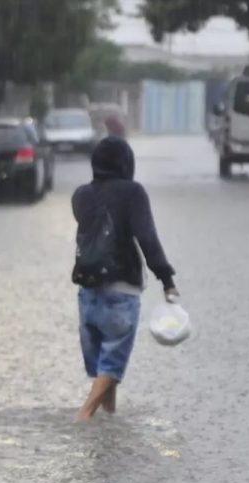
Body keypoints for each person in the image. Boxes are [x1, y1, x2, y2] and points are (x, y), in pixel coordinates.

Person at [71, 136, 178, 422]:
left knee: (103, 369)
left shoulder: (81, 195)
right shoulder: (132, 193)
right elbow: (147, 238)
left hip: (87, 293)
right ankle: (84, 416)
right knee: (112, 365)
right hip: (122, 292)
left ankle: (108, 422)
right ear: (126, 163)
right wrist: (166, 279)